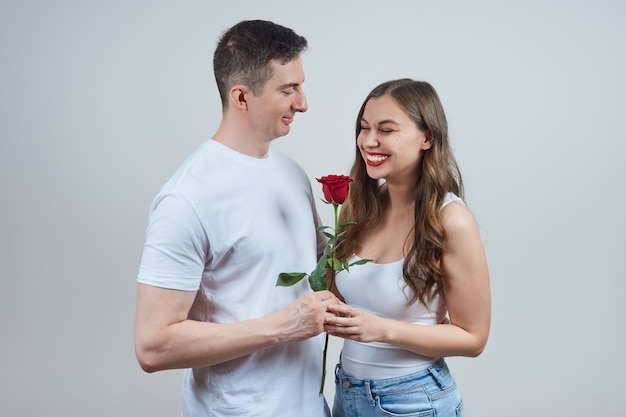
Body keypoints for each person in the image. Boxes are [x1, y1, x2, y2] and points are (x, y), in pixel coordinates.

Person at [134, 20, 339, 417]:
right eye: (288, 90)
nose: (303, 103)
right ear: (241, 97)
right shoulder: (186, 199)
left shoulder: (292, 174)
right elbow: (152, 345)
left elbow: (324, 272)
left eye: (301, 85)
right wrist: (283, 325)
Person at [324, 79, 491, 417]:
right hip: (348, 394)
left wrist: (382, 329)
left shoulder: (451, 219)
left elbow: (474, 338)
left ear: (427, 137)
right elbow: (340, 297)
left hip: (413, 400)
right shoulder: (360, 206)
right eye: (364, 128)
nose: (369, 141)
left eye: (386, 130)